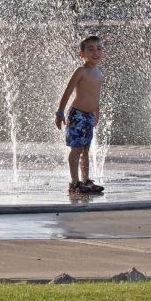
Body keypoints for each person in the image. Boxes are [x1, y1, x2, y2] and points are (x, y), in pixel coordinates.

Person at [55, 35, 106, 194]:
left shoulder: (99, 72)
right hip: (77, 115)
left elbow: (95, 95)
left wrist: (96, 113)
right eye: (90, 49)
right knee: (76, 149)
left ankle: (86, 181)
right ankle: (74, 183)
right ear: (81, 54)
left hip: (89, 116)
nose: (95, 52)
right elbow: (68, 92)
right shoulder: (81, 71)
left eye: (99, 48)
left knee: (86, 149)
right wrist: (60, 112)